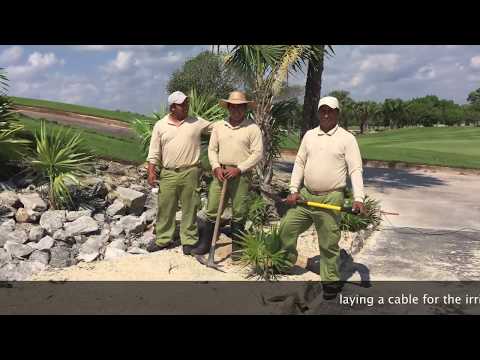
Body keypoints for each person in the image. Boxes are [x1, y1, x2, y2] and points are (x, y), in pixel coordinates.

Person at [278, 96, 366, 299]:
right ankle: (285, 262)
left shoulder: (347, 138)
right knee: (286, 227)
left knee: (328, 242)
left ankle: (330, 282)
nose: (326, 114)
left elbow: (355, 170)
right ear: (318, 112)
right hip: (306, 195)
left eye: (331, 110)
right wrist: (293, 189)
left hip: (331, 198)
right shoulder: (309, 135)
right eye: (323, 110)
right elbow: (299, 163)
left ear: (337, 113)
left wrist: (359, 198)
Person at [191, 91, 263, 260]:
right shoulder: (219, 126)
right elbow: (212, 149)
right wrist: (216, 167)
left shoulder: (252, 128)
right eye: (233, 107)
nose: (236, 110)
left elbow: (257, 154)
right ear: (228, 107)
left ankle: (237, 249)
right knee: (212, 209)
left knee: (239, 212)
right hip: (220, 174)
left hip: (241, 176)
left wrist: (239, 169)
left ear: (245, 108)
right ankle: (205, 244)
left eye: (240, 107)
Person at [146, 91, 214, 255]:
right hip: (168, 173)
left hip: (191, 172)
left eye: (186, 103)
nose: (186, 106)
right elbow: (154, 151)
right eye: (181, 104)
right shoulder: (160, 125)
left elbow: (217, 129)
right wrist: (151, 171)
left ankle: (188, 241)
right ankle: (163, 239)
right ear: (172, 107)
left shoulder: (197, 122)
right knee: (165, 207)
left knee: (190, 208)